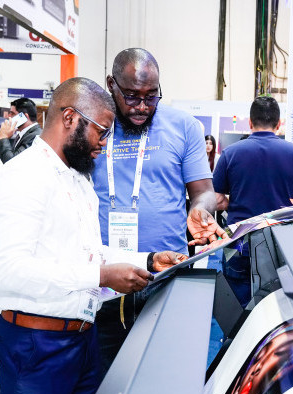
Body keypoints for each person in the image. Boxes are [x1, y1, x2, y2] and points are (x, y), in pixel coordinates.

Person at [0, 77, 186, 394]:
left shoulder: (79, 180)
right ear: (69, 118)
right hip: (36, 346)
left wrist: (149, 260)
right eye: (101, 132)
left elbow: (90, 253)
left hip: (84, 341)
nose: (104, 144)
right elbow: (11, 272)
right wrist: (101, 276)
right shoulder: (22, 177)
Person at [91, 48, 227, 375]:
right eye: (132, 96)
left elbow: (204, 192)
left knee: (166, 375)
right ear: (111, 84)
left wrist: (200, 210)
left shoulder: (184, 126)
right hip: (103, 279)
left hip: (166, 274)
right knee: (102, 380)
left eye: (151, 97)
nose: (141, 107)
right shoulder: (94, 125)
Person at [213, 96, 293, 306]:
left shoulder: (230, 154)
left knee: (236, 306)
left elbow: (217, 201)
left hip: (238, 241)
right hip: (280, 243)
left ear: (250, 122)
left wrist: (237, 201)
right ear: (279, 124)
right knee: (278, 306)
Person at [0, 97, 42, 163]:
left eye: (12, 113)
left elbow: (13, 163)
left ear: (25, 116)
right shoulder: (23, 134)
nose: (9, 116)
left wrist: (3, 137)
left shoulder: (35, 136)